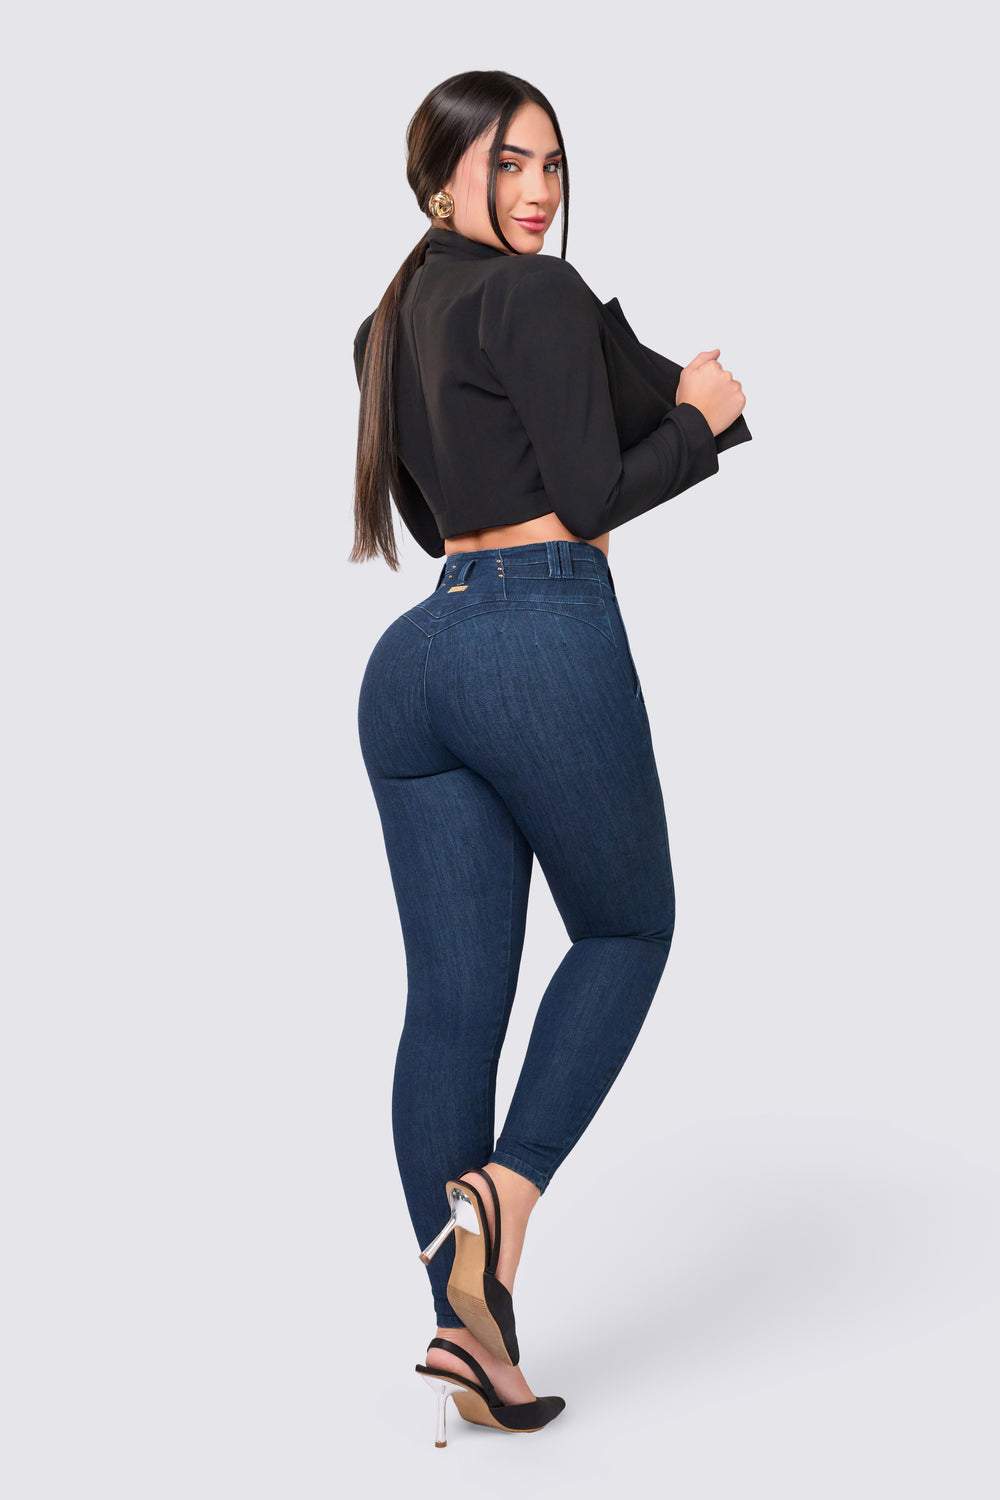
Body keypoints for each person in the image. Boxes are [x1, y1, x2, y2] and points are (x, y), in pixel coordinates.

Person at [351, 69, 748, 1447]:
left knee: (452, 1007)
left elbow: (437, 511)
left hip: (418, 661)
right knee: (629, 929)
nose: (536, 192)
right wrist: (700, 421)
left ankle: (473, 1336)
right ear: (440, 180)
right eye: (507, 164)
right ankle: (504, 1201)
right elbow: (587, 496)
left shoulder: (385, 327)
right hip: (537, 633)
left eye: (553, 166)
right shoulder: (536, 295)